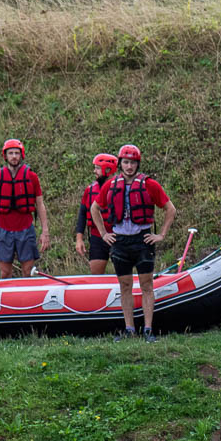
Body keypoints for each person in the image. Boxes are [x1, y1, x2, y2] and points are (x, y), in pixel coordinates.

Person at [91, 143, 176, 341]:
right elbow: (95, 208)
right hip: (120, 241)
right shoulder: (111, 185)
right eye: (126, 162)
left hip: (142, 240)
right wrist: (103, 234)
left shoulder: (149, 185)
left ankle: (148, 329)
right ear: (120, 164)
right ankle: (129, 329)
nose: (129, 167)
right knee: (125, 286)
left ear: (138, 164)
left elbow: (170, 209)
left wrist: (161, 235)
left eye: (133, 163)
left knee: (146, 285)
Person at [0, 138, 49, 279]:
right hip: (3, 231)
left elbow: (40, 204)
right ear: (5, 156)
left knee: (27, 271)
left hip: (25, 230)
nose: (14, 156)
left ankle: (27, 293)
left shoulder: (32, 177)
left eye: (17, 153)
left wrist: (45, 231)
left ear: (21, 155)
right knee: (5, 273)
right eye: (11, 153)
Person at [75, 153, 118, 273]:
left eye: (98, 168)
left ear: (108, 170)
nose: (94, 171)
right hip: (97, 237)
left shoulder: (121, 188)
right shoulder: (90, 190)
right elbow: (82, 214)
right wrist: (79, 239)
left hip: (118, 236)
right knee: (96, 274)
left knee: (123, 274)